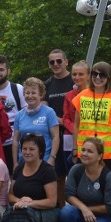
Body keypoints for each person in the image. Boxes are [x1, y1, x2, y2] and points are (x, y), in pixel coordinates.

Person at [72, 61, 111, 171]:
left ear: (109, 77)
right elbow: (76, 125)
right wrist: (75, 149)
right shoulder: (82, 96)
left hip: (108, 154)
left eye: (102, 75)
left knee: (106, 185)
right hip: (84, 151)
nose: (97, 77)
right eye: (94, 74)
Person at [8, 133, 60, 222]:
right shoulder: (19, 169)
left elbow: (52, 202)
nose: (27, 152)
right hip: (21, 207)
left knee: (24, 214)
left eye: (31, 149)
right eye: (24, 149)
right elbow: (10, 195)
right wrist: (20, 201)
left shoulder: (47, 171)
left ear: (40, 151)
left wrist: (29, 203)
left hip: (46, 211)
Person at [44, 49, 74, 197]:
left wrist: (66, 122)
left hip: (74, 133)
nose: (56, 64)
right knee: (58, 175)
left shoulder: (75, 81)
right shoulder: (47, 84)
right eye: (52, 62)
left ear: (66, 62)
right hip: (55, 135)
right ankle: (60, 210)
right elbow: (44, 111)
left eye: (59, 61)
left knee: (76, 174)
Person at [12, 77, 60, 166]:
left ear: (41, 95)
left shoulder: (49, 112)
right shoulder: (19, 115)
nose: (30, 96)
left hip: (44, 161)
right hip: (24, 162)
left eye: (33, 93)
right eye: (27, 93)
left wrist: (52, 158)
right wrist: (15, 162)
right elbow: (15, 140)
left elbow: (55, 137)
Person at [0, 54, 25, 172]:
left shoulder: (18, 89)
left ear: (8, 71)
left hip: (16, 142)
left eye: (1, 70)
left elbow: (26, 113)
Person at [61, 60, 89, 177]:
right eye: (74, 74)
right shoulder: (69, 95)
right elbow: (65, 118)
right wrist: (77, 131)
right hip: (70, 137)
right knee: (72, 173)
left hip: (90, 138)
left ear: (88, 75)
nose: (77, 77)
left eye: (81, 74)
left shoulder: (95, 94)